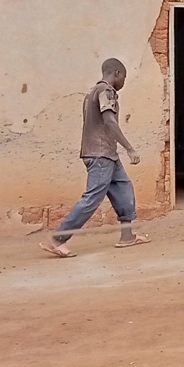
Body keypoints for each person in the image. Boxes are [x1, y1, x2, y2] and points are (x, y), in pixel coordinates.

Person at [40, 58, 150, 258]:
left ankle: (127, 236)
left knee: (124, 189)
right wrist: (130, 148)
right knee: (92, 198)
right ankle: (57, 239)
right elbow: (109, 121)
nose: (124, 82)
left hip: (108, 154)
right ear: (116, 73)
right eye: (124, 77)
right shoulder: (105, 92)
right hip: (100, 155)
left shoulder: (91, 93)